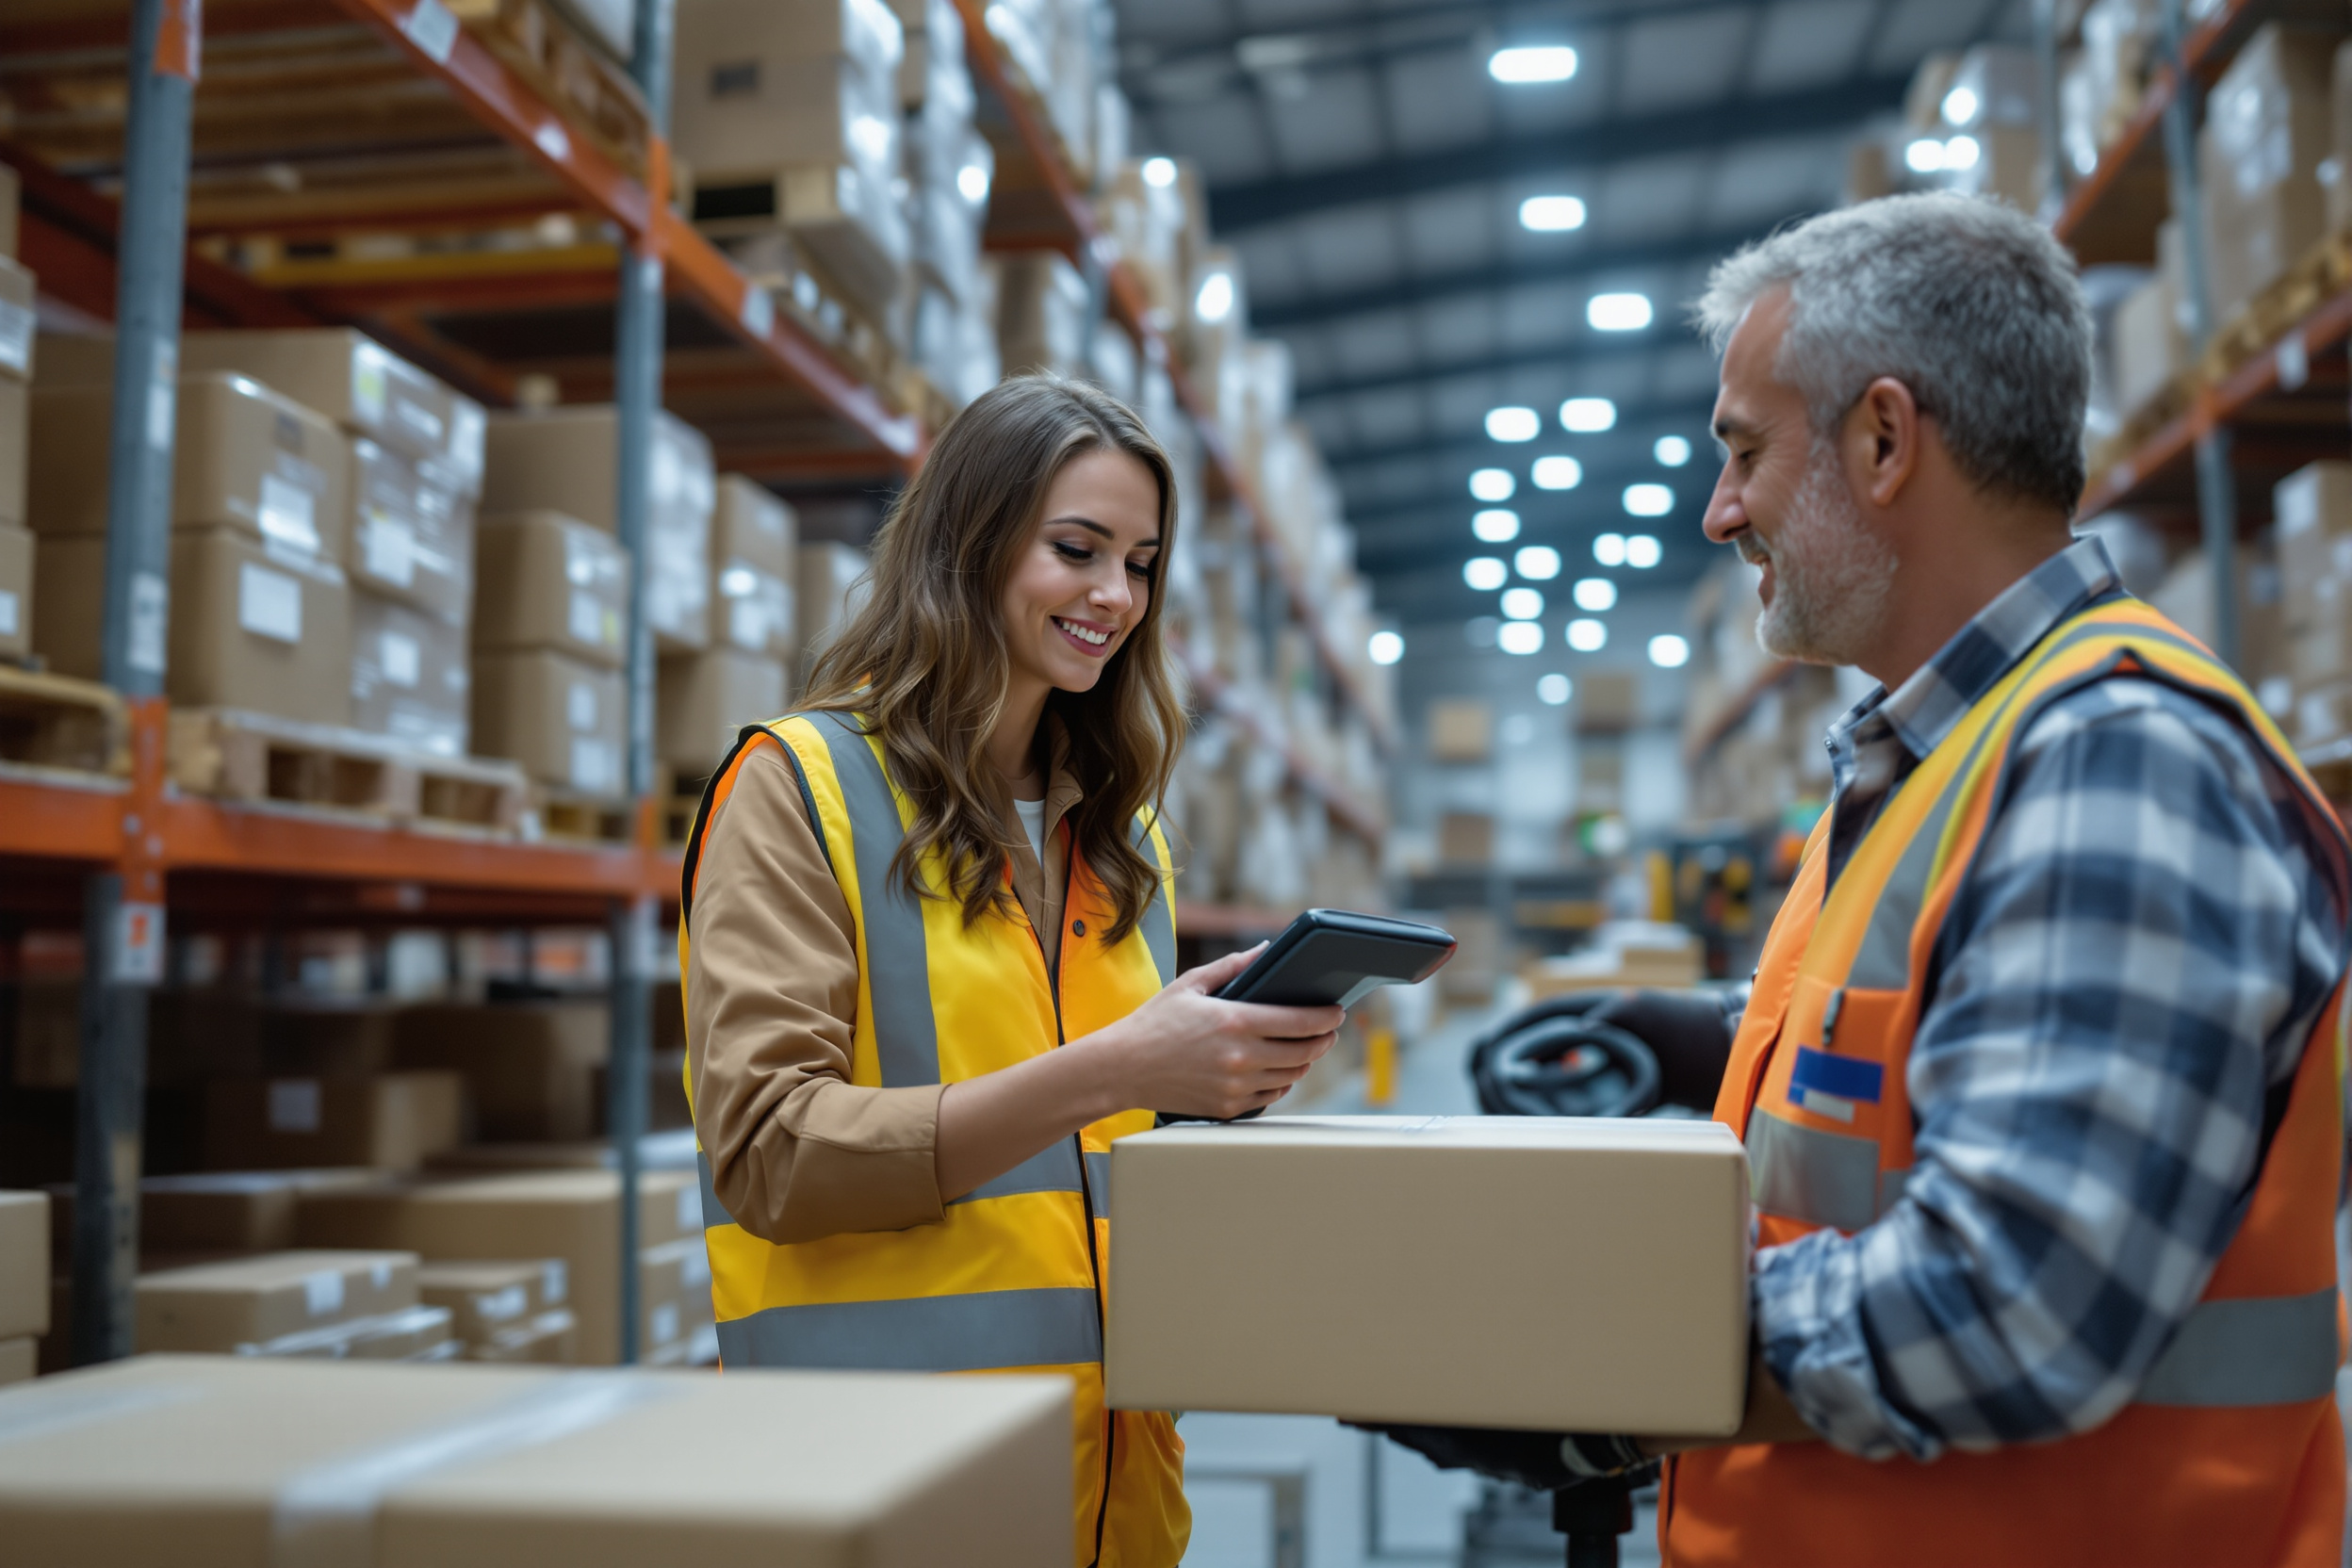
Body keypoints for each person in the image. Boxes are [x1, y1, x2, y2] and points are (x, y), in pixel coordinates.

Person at [1384, 192, 2352, 1566]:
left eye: (1745, 452)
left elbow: (2009, 1302)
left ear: (1885, 440)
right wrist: (1722, 1035)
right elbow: (1967, 1016)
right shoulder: (1944, 749)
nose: (1720, 512)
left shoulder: (2114, 762)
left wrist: (1605, 1371)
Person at [677, 376, 1345, 1568]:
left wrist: (1215, 1074)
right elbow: (770, 1154)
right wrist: (1115, 1066)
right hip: (884, 1480)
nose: (1113, 597)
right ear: (968, 544)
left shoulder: (1125, 834)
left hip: (1116, 1495)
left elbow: (1102, 1151)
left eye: (1139, 563)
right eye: (1076, 549)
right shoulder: (798, 790)